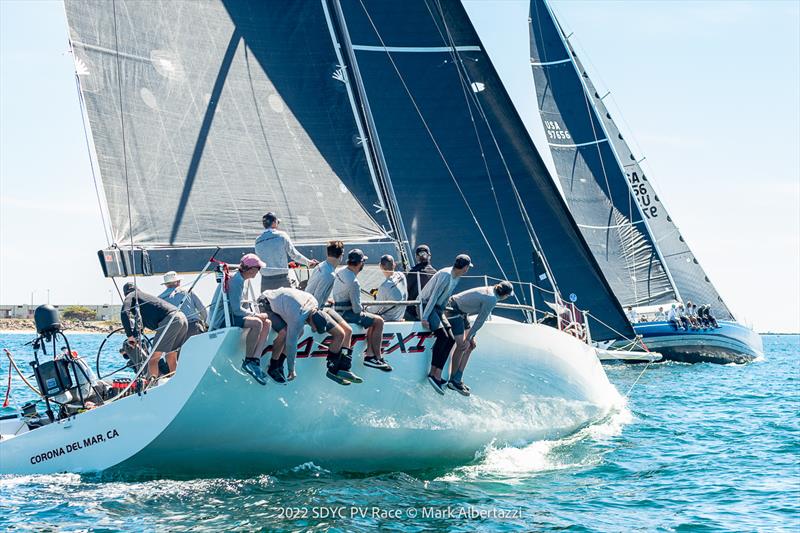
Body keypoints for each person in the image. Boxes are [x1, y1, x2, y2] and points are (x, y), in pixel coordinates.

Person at [258, 287, 356, 385]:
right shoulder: (298, 316)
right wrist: (291, 369)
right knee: (285, 333)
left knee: (300, 332)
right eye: (314, 327)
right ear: (311, 321)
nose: (313, 330)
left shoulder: (314, 304)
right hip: (266, 304)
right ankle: (273, 366)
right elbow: (291, 344)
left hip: (285, 304)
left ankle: (280, 362)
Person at [209, 254, 272, 384]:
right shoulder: (236, 281)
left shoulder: (240, 279)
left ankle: (255, 360)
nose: (258, 271)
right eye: (258, 268)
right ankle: (248, 361)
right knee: (257, 323)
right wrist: (256, 315)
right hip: (221, 319)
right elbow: (237, 310)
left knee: (267, 323)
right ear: (251, 269)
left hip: (231, 315)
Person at [445, 281, 513, 396]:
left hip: (463, 312)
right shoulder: (491, 299)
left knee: (470, 346)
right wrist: (468, 338)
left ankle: (458, 378)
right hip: (453, 309)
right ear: (504, 295)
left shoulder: (492, 291)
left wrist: (471, 338)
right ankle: (452, 381)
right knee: (462, 346)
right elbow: (480, 321)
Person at [331, 249, 392, 371]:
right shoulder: (354, 282)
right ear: (360, 263)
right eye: (363, 261)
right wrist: (367, 310)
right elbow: (357, 310)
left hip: (337, 310)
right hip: (347, 313)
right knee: (379, 321)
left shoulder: (339, 272)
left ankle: (370, 354)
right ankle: (377, 357)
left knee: (371, 321)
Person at [419, 254, 472, 394]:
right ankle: (432, 372)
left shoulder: (456, 277)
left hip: (437, 308)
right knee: (443, 336)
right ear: (465, 267)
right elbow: (434, 295)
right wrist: (425, 317)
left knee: (451, 339)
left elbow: (445, 297)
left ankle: (438, 373)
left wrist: (442, 314)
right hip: (426, 305)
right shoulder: (445, 274)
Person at [120, 282, 188, 380]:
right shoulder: (144, 299)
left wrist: (129, 335)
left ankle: (151, 388)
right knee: (171, 357)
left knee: (153, 359)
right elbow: (140, 325)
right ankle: (176, 382)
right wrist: (135, 338)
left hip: (170, 320)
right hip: (182, 318)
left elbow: (124, 312)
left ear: (125, 293)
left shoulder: (131, 295)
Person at [304, 240, 353, 350]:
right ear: (341, 255)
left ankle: (341, 362)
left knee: (348, 330)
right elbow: (316, 299)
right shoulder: (329, 275)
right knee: (341, 334)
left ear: (328, 253)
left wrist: (327, 300)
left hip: (308, 305)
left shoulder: (321, 266)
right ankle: (334, 364)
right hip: (313, 311)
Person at [255, 211, 318, 291]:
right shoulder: (282, 235)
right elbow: (294, 255)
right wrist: (309, 263)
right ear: (274, 222)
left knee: (266, 303)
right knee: (287, 302)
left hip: (265, 281)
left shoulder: (258, 240)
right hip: (282, 279)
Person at [158, 271, 207, 337]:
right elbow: (202, 309)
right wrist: (206, 323)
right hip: (193, 326)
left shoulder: (160, 298)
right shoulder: (188, 291)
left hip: (175, 331)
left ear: (166, 284)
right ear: (177, 282)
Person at [405, 244, 437, 321]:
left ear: (416, 257)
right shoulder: (436, 273)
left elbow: (404, 291)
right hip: (430, 311)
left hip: (413, 312)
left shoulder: (413, 272)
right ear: (429, 256)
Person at [372, 254, 408, 322]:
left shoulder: (384, 287)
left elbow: (374, 309)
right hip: (400, 316)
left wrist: (364, 308)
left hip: (388, 319)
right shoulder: (402, 276)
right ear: (394, 265)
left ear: (380, 266)